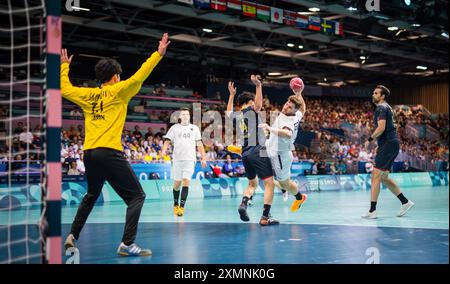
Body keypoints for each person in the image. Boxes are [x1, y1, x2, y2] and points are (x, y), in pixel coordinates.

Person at [61, 33, 170, 257]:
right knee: (136, 196)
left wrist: (64, 67)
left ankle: (72, 235)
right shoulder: (120, 92)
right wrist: (158, 54)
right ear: (115, 76)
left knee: (91, 195)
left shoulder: (88, 95)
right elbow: (140, 75)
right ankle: (127, 243)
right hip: (109, 152)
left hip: (89, 153)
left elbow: (65, 89)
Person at [227, 75, 278, 226]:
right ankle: (265, 217)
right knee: (270, 184)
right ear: (249, 102)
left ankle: (243, 204)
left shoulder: (237, 115)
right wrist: (258, 85)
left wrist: (231, 95)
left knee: (252, 184)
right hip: (257, 151)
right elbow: (259, 104)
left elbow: (228, 112)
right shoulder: (252, 109)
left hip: (245, 154)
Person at [362, 85, 414, 219]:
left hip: (389, 144)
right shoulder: (387, 107)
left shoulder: (381, 107)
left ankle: (372, 210)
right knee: (383, 177)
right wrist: (380, 144)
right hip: (389, 143)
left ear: (382, 96)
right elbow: (387, 129)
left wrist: (370, 139)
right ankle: (405, 202)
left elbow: (381, 127)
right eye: (373, 93)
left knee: (375, 176)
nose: (373, 95)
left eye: (376, 93)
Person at [258, 87, 308, 212]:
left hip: (281, 155)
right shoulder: (296, 113)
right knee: (253, 151)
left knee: (285, 184)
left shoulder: (289, 120)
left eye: (290, 107)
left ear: (293, 111)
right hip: (272, 145)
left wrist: (270, 129)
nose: (286, 107)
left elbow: (288, 133)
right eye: (286, 104)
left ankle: (300, 197)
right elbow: (303, 109)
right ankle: (239, 150)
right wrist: (299, 94)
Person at [161, 107, 207, 217]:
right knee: (177, 184)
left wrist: (203, 157)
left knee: (186, 181)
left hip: (190, 159)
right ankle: (175, 204)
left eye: (187, 114)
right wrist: (163, 151)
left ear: (190, 116)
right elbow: (167, 141)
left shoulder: (194, 128)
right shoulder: (174, 128)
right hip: (177, 159)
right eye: (183, 114)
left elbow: (199, 144)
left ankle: (181, 208)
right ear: (180, 117)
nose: (186, 116)